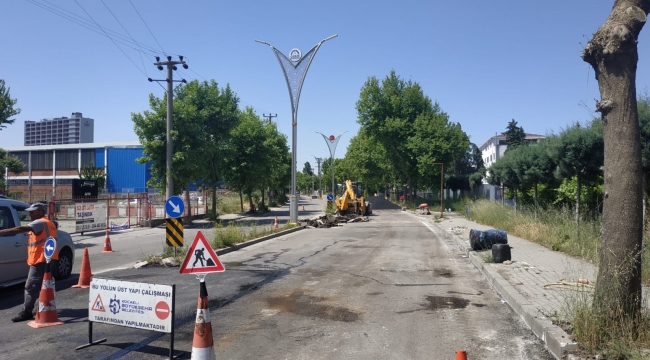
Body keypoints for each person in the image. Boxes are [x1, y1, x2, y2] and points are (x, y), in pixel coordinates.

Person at [0, 203, 58, 322]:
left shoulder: (39, 222)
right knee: (43, 285)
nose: (30, 214)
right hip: (48, 259)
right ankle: (44, 307)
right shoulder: (48, 223)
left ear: (40, 212)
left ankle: (27, 312)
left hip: (40, 260)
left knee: (31, 286)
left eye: (33, 212)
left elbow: (22, 229)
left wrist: (3, 232)